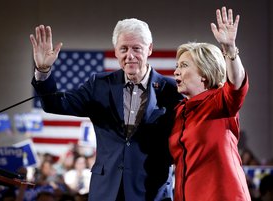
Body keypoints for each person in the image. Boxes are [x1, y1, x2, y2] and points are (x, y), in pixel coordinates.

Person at [30, 18, 183, 200]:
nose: (130, 55)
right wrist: (43, 69)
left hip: (151, 190)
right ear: (116, 52)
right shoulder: (99, 85)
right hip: (106, 190)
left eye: (136, 48)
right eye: (124, 49)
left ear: (149, 49)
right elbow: (54, 104)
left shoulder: (172, 90)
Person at [169, 6, 251, 201]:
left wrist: (230, 50)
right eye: (176, 66)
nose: (176, 72)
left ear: (205, 74)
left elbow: (237, 85)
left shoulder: (219, 102)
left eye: (184, 65)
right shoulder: (179, 112)